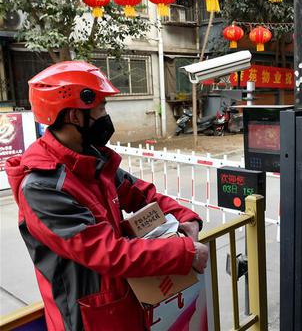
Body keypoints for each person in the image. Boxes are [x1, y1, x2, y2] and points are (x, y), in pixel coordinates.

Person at [5, 61, 209, 330]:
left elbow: (141, 194)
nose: (105, 117)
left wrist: (187, 218)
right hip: (85, 319)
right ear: (75, 116)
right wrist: (184, 252)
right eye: (101, 108)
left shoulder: (92, 159)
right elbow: (107, 252)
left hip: (123, 304)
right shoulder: (42, 187)